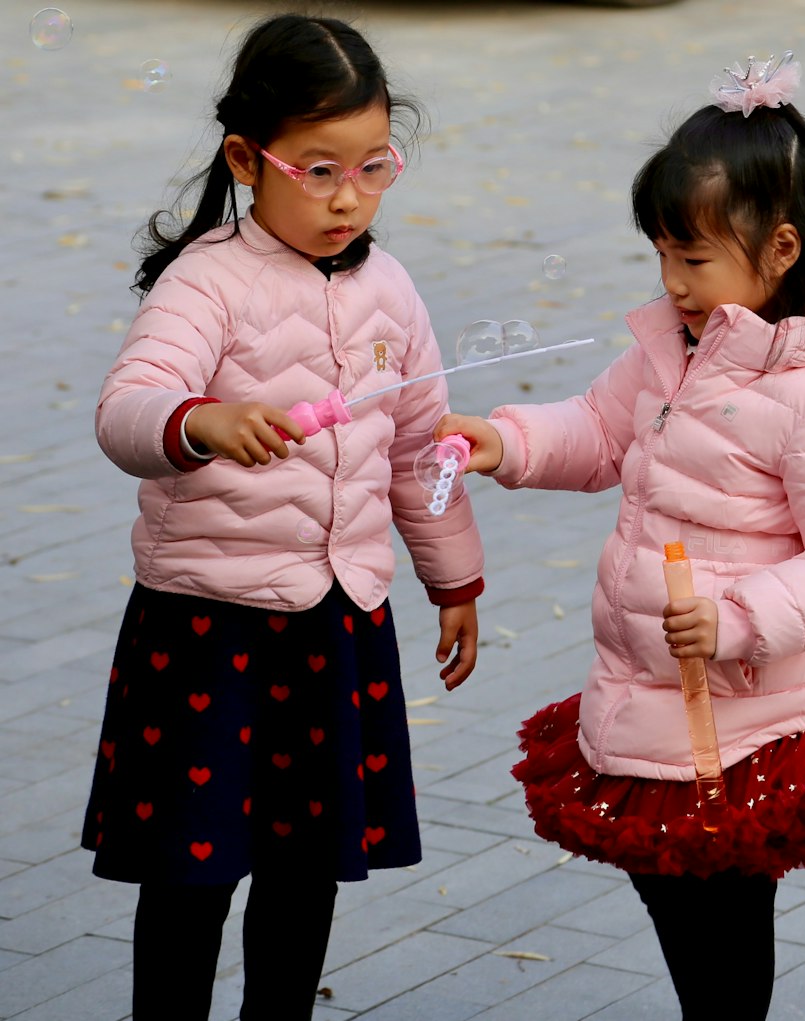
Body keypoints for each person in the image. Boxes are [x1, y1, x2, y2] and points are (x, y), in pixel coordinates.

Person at [436, 51, 805, 1020]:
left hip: (753, 709)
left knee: (717, 912)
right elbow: (594, 429)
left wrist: (739, 617)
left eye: (694, 259)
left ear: (783, 251)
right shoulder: (675, 352)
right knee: (682, 898)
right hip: (660, 694)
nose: (670, 283)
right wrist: (504, 440)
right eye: (662, 256)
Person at [81, 14, 484, 1021]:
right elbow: (125, 412)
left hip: (336, 625)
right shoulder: (207, 279)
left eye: (373, 166)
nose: (348, 196)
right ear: (245, 159)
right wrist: (199, 421)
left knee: (307, 869)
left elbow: (418, 447)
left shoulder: (391, 288)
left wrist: (453, 577)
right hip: (209, 630)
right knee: (191, 871)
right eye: (317, 169)